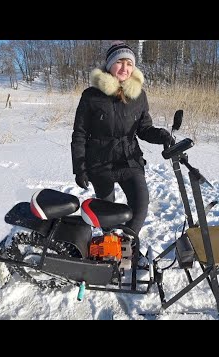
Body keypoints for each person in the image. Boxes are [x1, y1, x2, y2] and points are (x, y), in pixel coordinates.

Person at [71, 41, 174, 236]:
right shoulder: (91, 96)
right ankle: (109, 246)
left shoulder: (139, 95)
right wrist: (80, 168)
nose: (124, 68)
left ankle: (127, 242)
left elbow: (144, 129)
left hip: (129, 159)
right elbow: (80, 134)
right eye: (119, 62)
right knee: (106, 215)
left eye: (129, 63)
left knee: (140, 204)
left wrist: (161, 135)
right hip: (99, 161)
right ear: (109, 65)